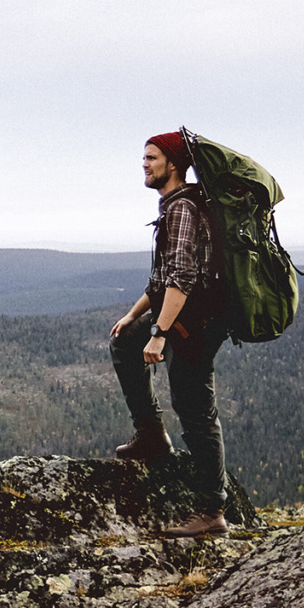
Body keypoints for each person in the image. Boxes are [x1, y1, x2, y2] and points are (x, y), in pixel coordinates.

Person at [107, 130, 229, 536]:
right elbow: (160, 282)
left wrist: (157, 333)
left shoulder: (181, 210)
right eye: (144, 157)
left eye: (152, 158)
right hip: (176, 315)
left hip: (195, 324)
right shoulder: (174, 205)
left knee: (195, 408)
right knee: (124, 341)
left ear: (173, 164)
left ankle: (212, 511)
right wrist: (133, 317)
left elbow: (181, 278)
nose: (144, 164)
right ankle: (152, 436)